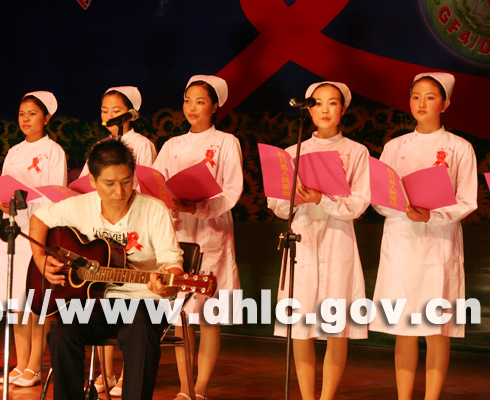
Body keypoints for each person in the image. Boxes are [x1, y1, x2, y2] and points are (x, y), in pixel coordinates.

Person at [28, 138, 183, 400]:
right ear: (92, 180)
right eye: (109, 183)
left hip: (143, 301)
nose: (119, 191)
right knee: (62, 334)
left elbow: (173, 265)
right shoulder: (80, 205)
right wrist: (40, 258)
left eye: (126, 181)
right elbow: (39, 219)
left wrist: (166, 286)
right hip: (92, 301)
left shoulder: (154, 210)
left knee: (140, 333)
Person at [369, 72, 477, 400]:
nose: (421, 103)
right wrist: (400, 207)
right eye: (416, 96)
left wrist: (432, 215)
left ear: (445, 104)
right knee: (403, 328)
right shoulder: (395, 146)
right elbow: (379, 196)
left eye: (430, 97)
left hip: (438, 243)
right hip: (401, 241)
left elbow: (467, 200)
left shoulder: (459, 147)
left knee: (436, 328)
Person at [268, 81, 370, 400]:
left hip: (338, 238)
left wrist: (322, 199)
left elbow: (359, 203)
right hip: (302, 238)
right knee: (300, 326)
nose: (325, 109)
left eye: (332, 103)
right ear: (308, 110)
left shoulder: (357, 152)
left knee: (336, 326)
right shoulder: (292, 152)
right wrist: (297, 199)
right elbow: (276, 204)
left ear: (343, 109)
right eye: (317, 103)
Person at [152, 75, 243, 400]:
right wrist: (170, 201)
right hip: (178, 229)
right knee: (181, 313)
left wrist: (199, 206)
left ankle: (201, 386)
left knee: (208, 313)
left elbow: (232, 190)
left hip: (211, 229)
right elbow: (156, 183)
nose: (192, 107)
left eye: (200, 101)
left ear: (215, 106)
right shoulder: (172, 145)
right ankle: (185, 387)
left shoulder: (226, 142)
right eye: (188, 100)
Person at [78, 86, 156, 396]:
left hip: (132, 225)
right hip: (102, 227)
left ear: (131, 113)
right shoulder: (100, 146)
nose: (109, 115)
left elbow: (146, 184)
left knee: (130, 302)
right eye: (104, 110)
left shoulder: (142, 144)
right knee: (103, 293)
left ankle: (126, 373)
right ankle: (105, 373)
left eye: (116, 110)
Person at [0, 91, 67, 386]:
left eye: (32, 114)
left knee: (36, 302)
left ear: (47, 118)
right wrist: (3, 202)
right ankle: (21, 364)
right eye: (22, 114)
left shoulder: (53, 151)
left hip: (37, 233)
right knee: (16, 303)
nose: (25, 119)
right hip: (12, 231)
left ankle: (35, 365)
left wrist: (28, 203)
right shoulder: (14, 152)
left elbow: (55, 194)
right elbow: (5, 187)